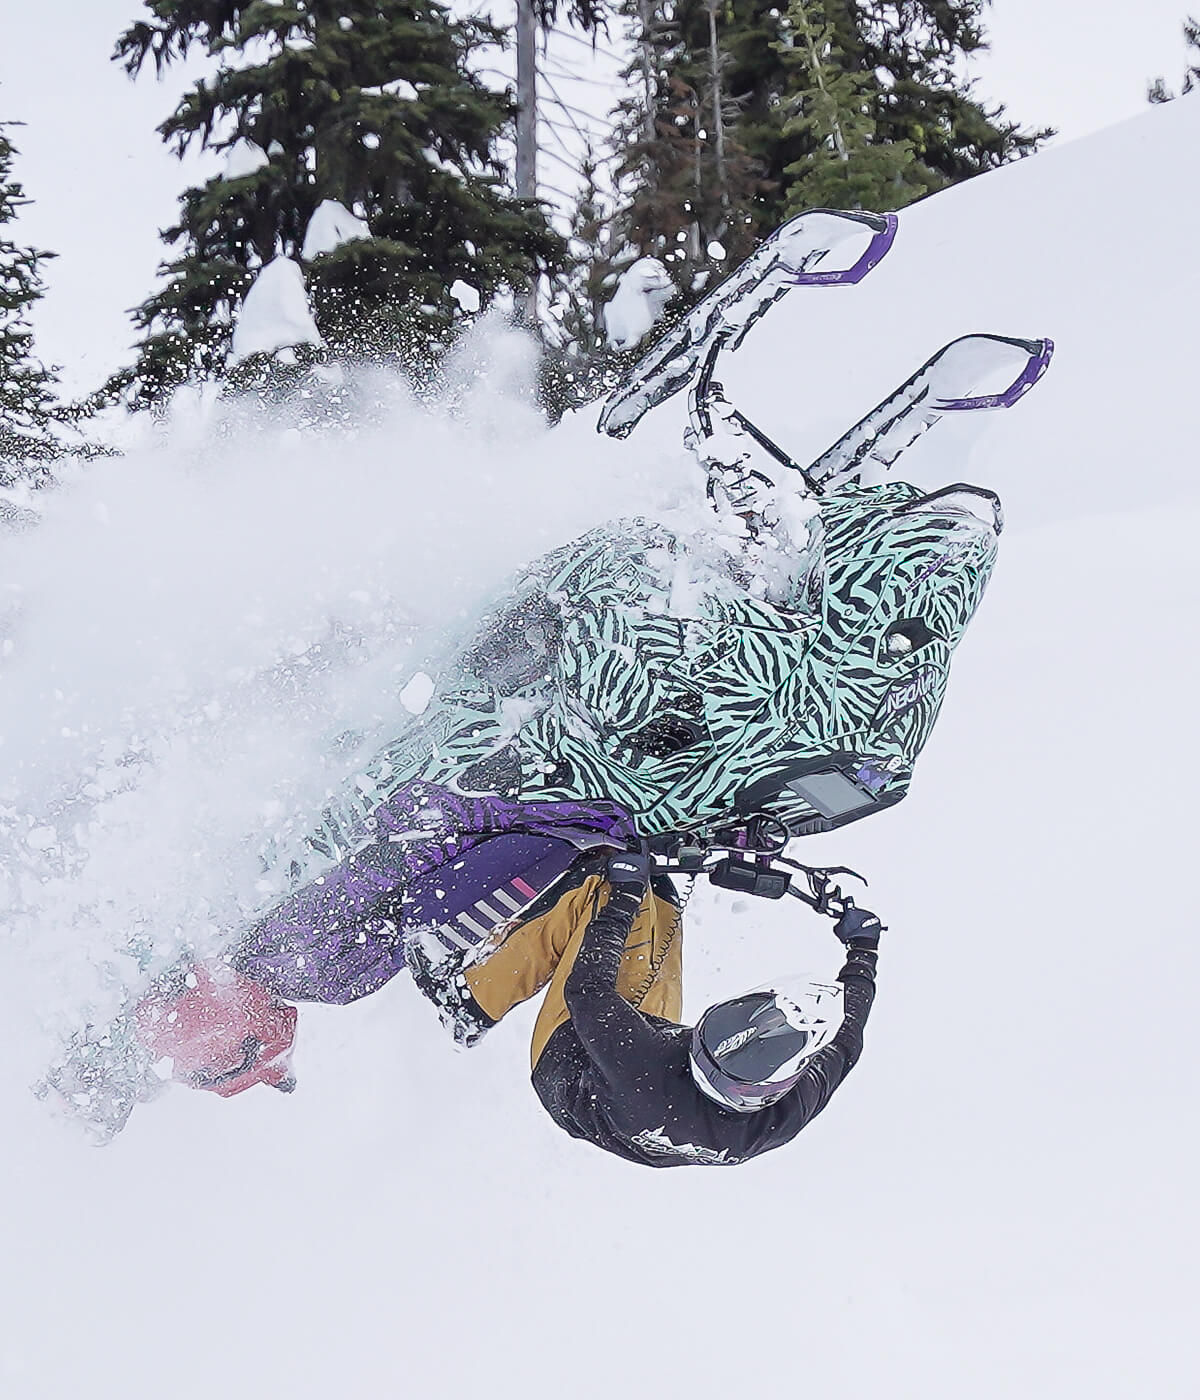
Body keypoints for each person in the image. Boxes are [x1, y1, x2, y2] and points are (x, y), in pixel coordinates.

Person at [409, 846, 882, 1168]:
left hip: (569, 1064)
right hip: (635, 1090)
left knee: (603, 889)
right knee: (663, 901)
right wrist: (864, 952)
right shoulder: (787, 1110)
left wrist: (623, 894)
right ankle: (641, 892)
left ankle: (468, 1000)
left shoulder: (643, 1060)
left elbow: (588, 990)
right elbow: (849, 1034)